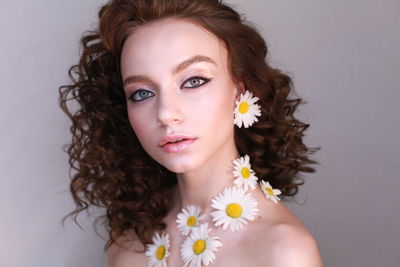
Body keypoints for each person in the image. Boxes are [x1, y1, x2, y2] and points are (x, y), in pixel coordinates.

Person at [60, 0, 322, 266]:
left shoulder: (284, 252)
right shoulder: (129, 238)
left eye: (194, 81)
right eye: (142, 93)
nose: (165, 113)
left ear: (240, 91)